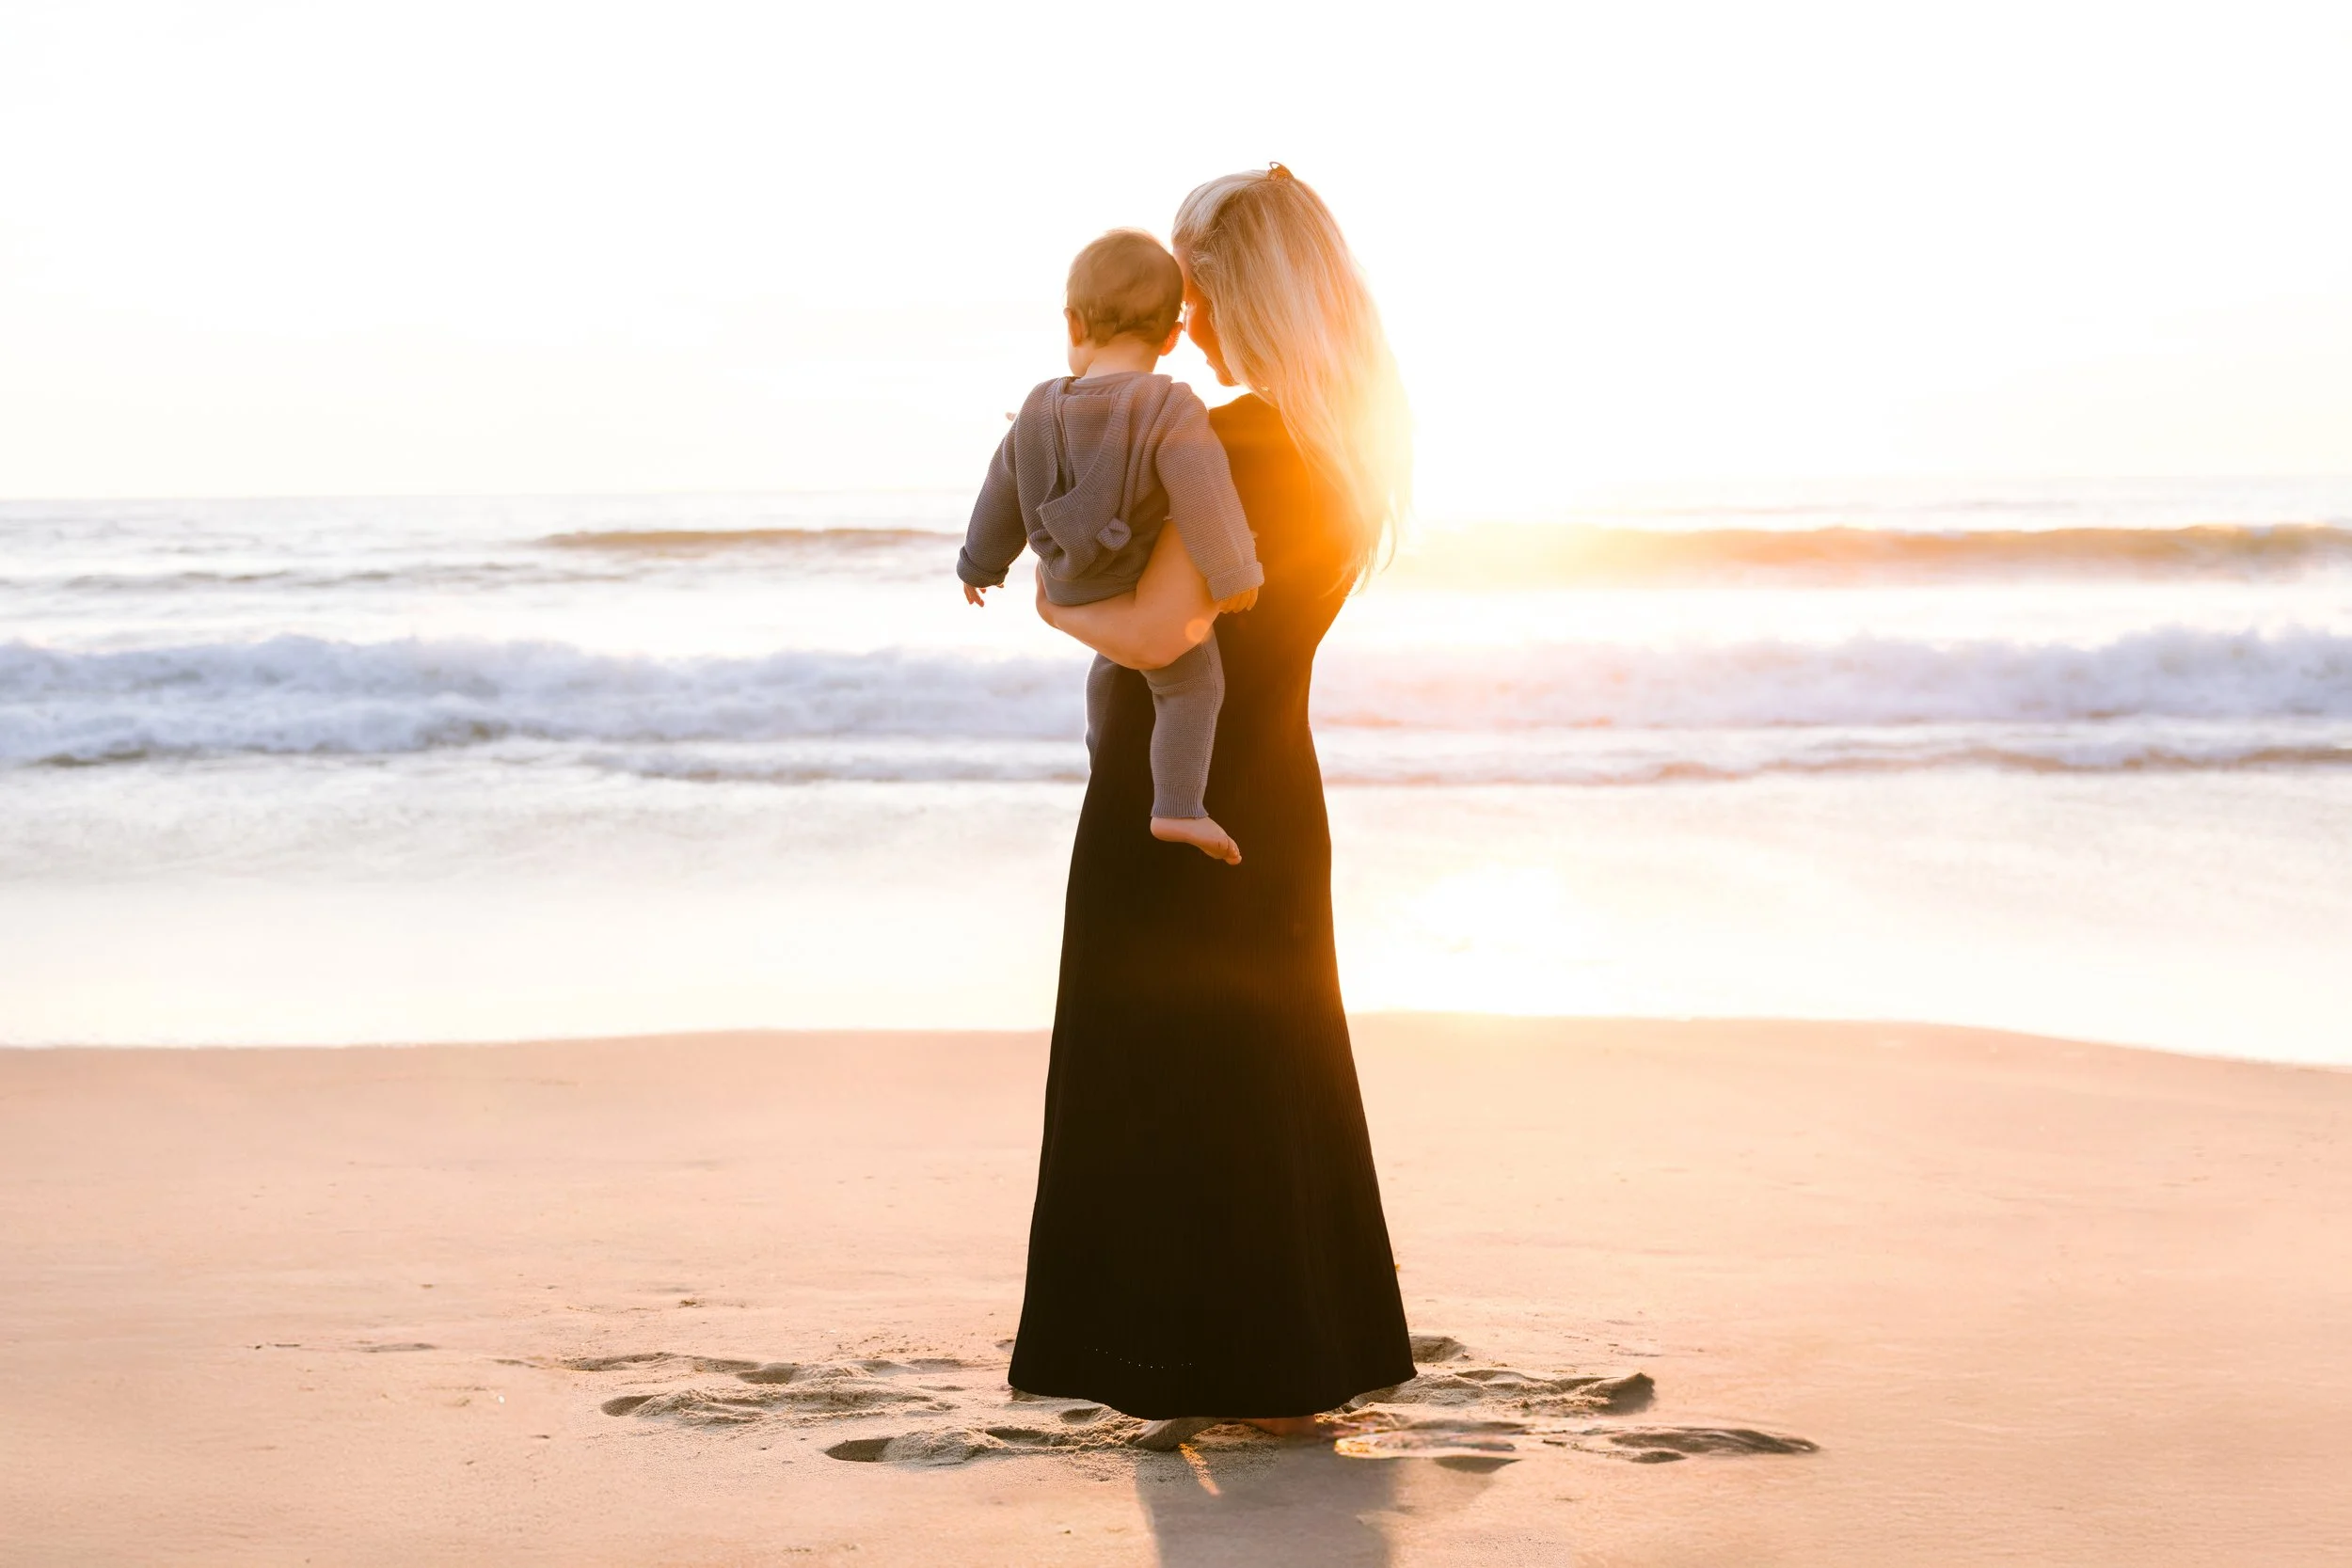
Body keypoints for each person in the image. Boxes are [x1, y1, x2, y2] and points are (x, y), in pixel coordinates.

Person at [1007, 165, 1418, 1449]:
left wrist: (1054, 602)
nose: (1182, 317)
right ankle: (1287, 1349)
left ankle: (1181, 1353)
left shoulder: (1236, 439)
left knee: (1164, 1070)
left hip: (1175, 790)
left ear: (1238, 290)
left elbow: (1160, 622)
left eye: (1196, 288)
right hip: (1273, 780)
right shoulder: (1338, 445)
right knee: (1264, 1065)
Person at [959, 229, 1264, 864]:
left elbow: (1000, 492)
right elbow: (1203, 493)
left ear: (1073, 322)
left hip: (1069, 581)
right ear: (1173, 336)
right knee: (1191, 684)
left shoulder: (1038, 407)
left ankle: (1107, 768)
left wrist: (980, 564)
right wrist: (1234, 571)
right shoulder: (1172, 407)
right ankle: (1178, 807)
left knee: (1108, 671)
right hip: (1133, 583)